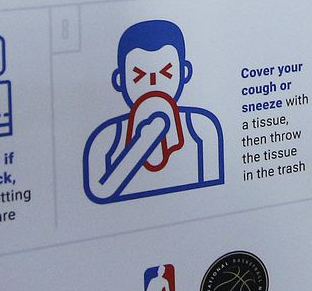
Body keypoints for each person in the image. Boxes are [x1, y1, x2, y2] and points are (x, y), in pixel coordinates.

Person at [83, 19, 225, 204]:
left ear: (185, 72)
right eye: (139, 75)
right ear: (120, 80)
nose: (152, 82)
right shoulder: (107, 139)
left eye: (166, 73)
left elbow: (214, 192)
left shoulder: (200, 128)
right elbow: (99, 192)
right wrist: (142, 143)